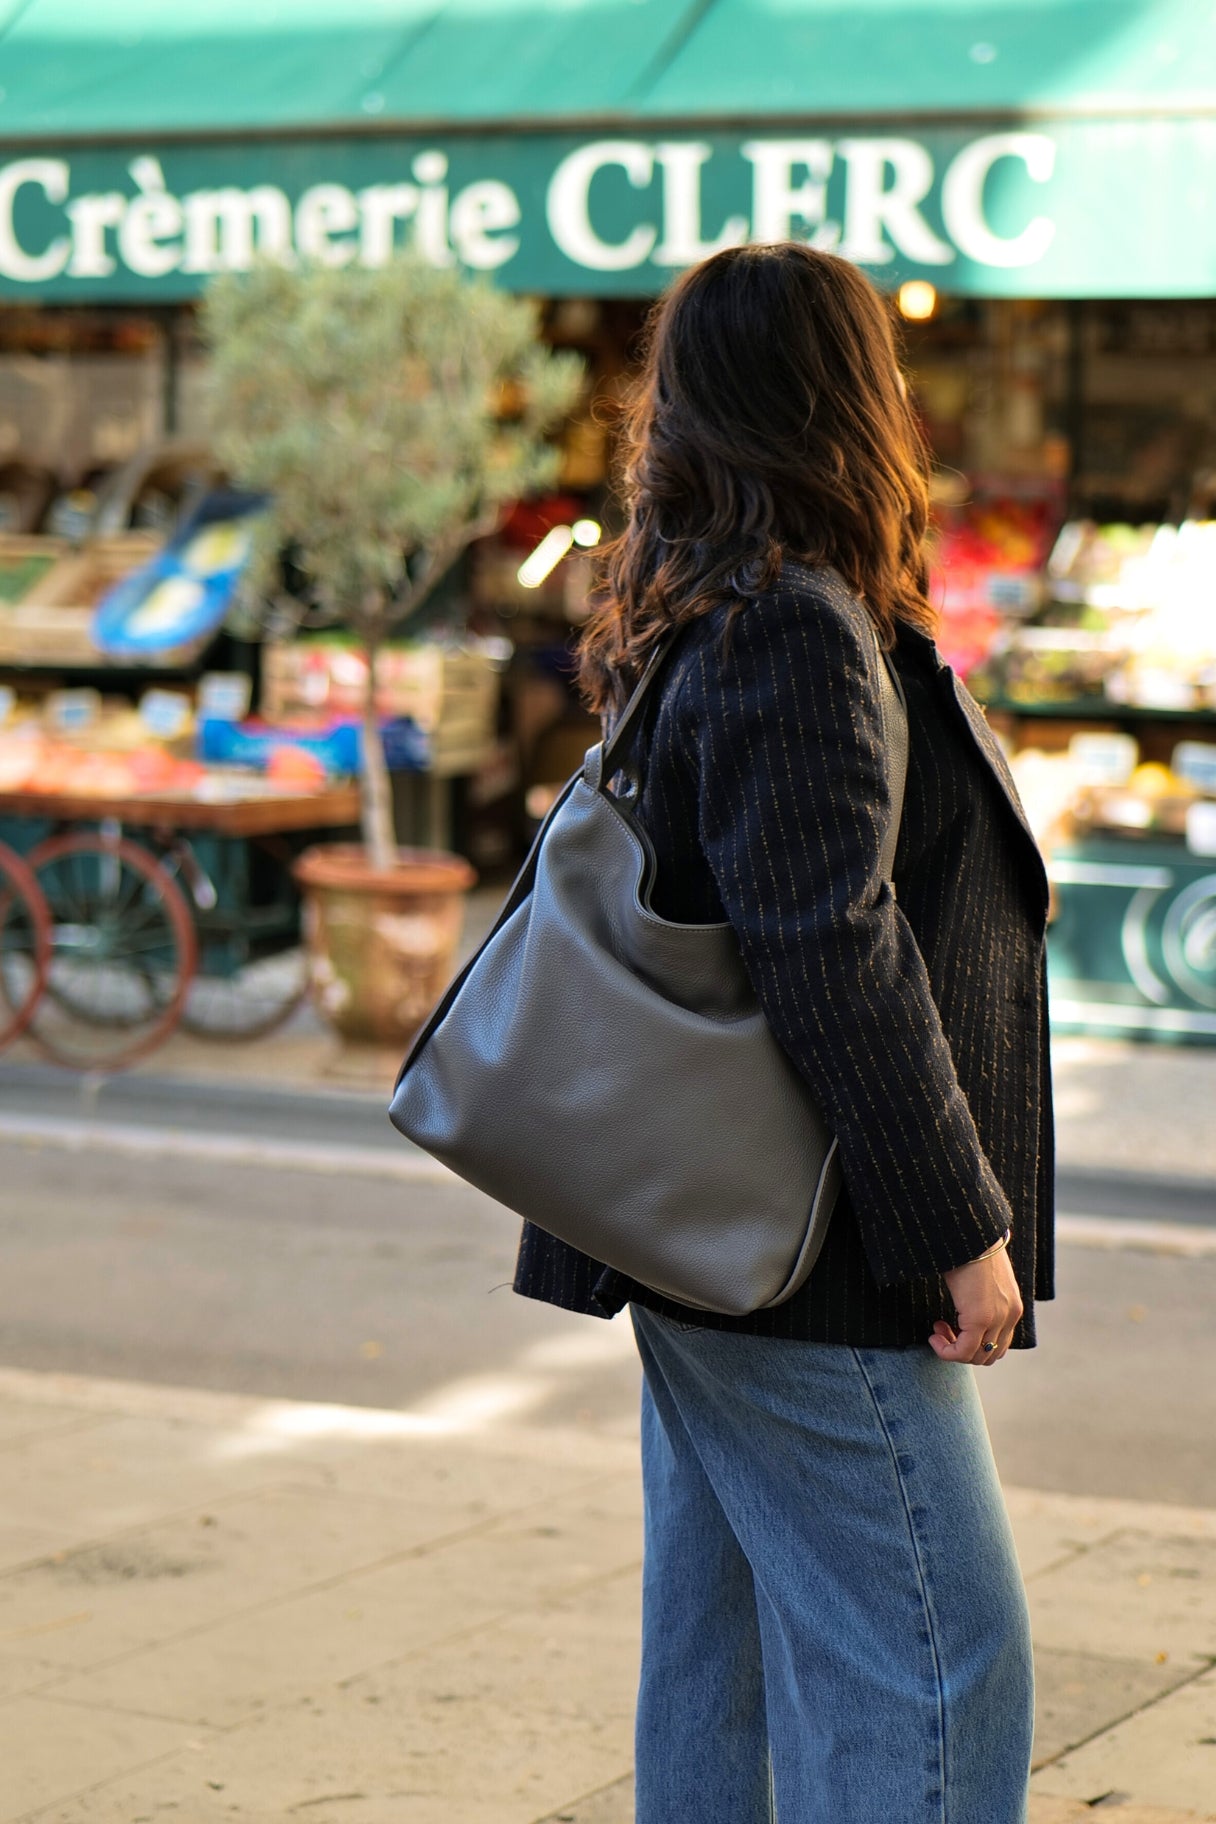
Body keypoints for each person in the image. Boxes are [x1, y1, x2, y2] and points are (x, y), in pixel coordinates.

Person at [513, 242, 1054, 1824]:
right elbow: (832, 952)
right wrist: (960, 1232)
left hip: (711, 1229)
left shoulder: (720, 609)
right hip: (803, 1254)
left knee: (724, 1646)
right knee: (948, 1662)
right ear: (851, 398)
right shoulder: (791, 631)